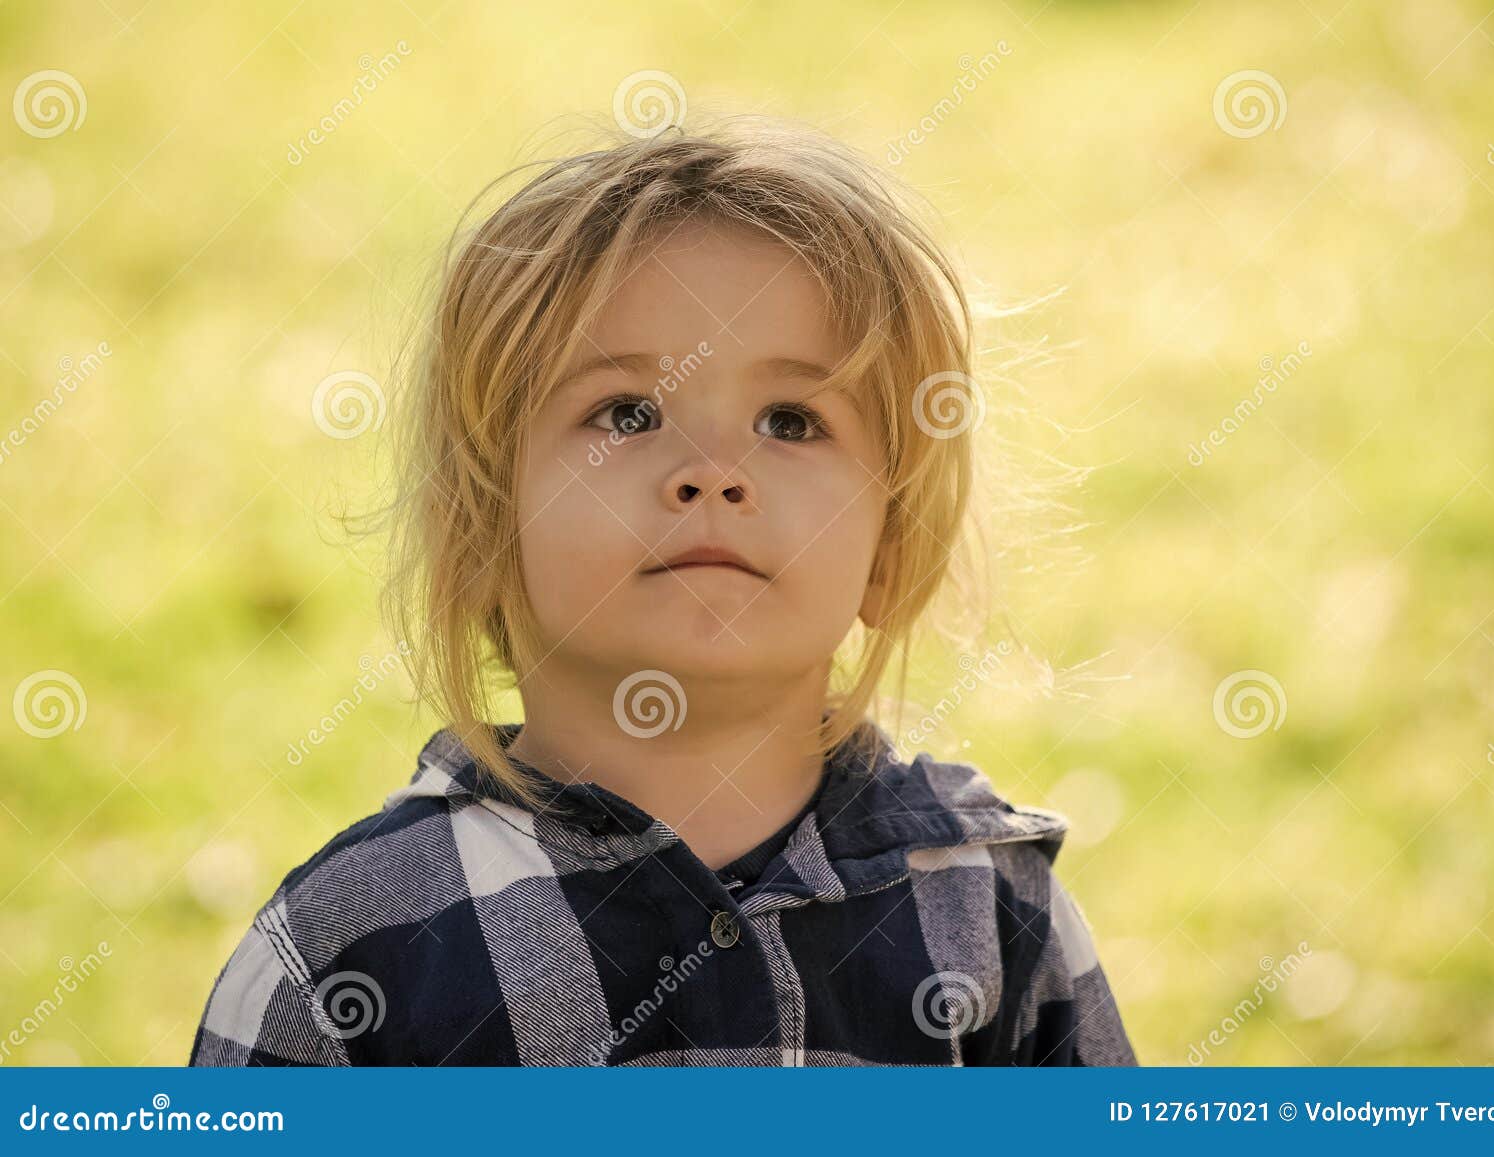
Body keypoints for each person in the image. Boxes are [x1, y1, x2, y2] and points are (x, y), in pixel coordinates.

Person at [189, 114, 1137, 1067]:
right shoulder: (350, 957)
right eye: (628, 413)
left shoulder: (997, 918)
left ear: (889, 547)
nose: (713, 472)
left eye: (792, 420)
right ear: (486, 532)